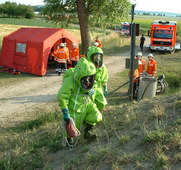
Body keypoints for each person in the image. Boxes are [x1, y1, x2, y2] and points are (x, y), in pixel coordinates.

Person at [57, 58, 102, 145]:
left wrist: (93, 90)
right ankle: (69, 141)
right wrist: (65, 111)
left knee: (96, 115)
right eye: (85, 79)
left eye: (90, 79)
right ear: (79, 77)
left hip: (87, 103)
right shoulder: (70, 81)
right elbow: (62, 96)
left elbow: (94, 85)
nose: (88, 82)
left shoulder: (91, 78)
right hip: (75, 107)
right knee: (72, 127)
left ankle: (88, 131)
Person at [86, 46, 108, 110]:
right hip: (89, 87)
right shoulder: (86, 66)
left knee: (102, 103)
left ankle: (98, 113)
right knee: (89, 104)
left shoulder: (102, 66)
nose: (97, 58)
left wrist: (105, 87)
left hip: (98, 87)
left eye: (99, 56)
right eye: (96, 56)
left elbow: (104, 76)